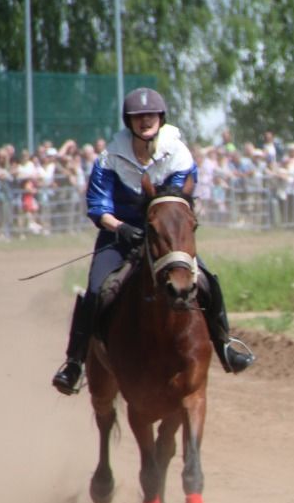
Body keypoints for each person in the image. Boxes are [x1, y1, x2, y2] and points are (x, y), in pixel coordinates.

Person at [51, 88, 255, 395]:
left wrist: (157, 230)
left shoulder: (179, 153)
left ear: (161, 118)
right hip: (118, 236)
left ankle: (225, 345)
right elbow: (98, 206)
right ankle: (74, 362)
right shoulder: (110, 157)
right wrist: (120, 228)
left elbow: (177, 200)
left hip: (166, 237)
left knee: (208, 281)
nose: (145, 120)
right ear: (129, 121)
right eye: (138, 116)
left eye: (151, 115)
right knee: (96, 291)